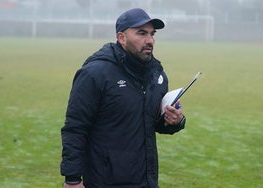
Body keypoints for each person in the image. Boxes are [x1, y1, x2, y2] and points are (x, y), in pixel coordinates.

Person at [60, 8, 186, 188]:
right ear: (121, 37)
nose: (150, 40)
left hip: (147, 181)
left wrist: (174, 121)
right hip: (105, 181)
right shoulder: (95, 74)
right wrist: (72, 180)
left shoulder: (156, 75)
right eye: (141, 33)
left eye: (152, 34)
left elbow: (153, 121)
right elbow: (75, 128)